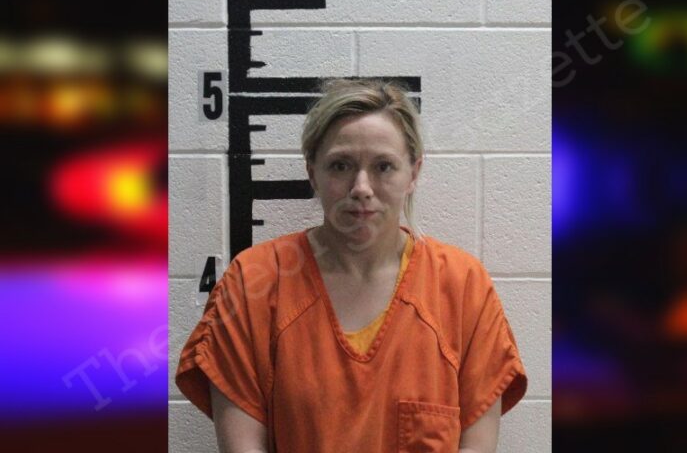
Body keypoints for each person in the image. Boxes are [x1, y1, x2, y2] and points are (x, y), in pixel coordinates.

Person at [175, 79, 527, 452]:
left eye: (384, 166)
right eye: (340, 165)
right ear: (312, 172)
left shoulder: (463, 287)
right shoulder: (252, 284)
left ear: (413, 173)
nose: (361, 187)